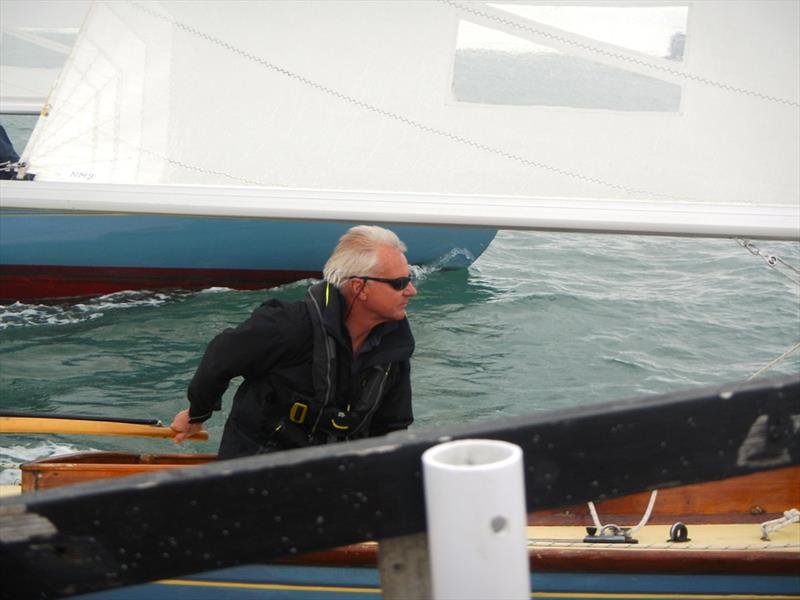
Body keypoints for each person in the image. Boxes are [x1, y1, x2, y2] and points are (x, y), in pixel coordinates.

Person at [170, 225, 417, 459]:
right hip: (260, 465)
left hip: (334, 472)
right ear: (359, 287)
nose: (412, 291)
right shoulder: (287, 325)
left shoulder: (394, 348)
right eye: (399, 283)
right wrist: (197, 413)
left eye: (410, 278)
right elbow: (221, 355)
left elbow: (393, 425)